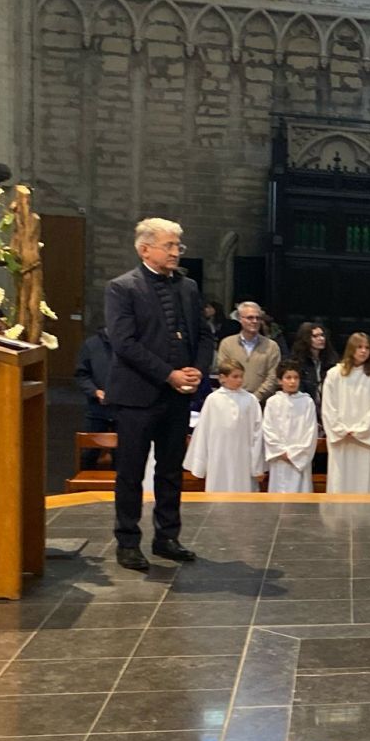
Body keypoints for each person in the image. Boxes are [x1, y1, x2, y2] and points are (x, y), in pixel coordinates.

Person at [104, 217, 212, 569]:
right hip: (137, 396)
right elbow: (124, 343)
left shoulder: (188, 287)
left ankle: (167, 537)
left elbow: (204, 334)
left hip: (177, 397)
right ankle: (127, 541)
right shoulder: (123, 288)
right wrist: (168, 374)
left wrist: (197, 369)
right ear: (145, 249)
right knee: (131, 472)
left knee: (169, 471)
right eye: (169, 245)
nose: (176, 252)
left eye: (178, 246)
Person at [321, 331, 370, 492]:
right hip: (342, 439)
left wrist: (361, 430)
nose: (363, 351)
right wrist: (340, 429)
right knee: (341, 481)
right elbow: (328, 406)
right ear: (351, 348)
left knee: (365, 481)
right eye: (359, 347)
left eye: (367, 347)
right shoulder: (334, 374)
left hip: (367, 439)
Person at [184, 358, 264, 492]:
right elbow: (203, 432)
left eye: (241, 376)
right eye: (235, 376)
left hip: (243, 456)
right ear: (222, 378)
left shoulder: (251, 400)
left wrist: (257, 465)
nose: (239, 380)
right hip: (218, 455)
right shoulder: (213, 400)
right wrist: (200, 464)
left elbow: (257, 433)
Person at [263, 363, 318, 493]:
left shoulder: (307, 402)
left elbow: (311, 432)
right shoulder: (272, 402)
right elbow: (268, 430)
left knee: (300, 495)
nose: (292, 381)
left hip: (300, 462)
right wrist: (280, 452)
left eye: (296, 377)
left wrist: (294, 454)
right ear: (280, 380)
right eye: (288, 378)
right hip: (279, 459)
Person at [215, 301, 281, 401]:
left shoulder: (272, 346)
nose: (254, 321)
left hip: (261, 403)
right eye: (250, 318)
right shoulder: (227, 344)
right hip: (231, 400)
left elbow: (273, 377)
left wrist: (254, 398)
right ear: (240, 319)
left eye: (258, 318)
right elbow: (224, 373)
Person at [74, 326, 117, 435]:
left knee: (126, 445)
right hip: (97, 411)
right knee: (91, 444)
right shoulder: (91, 344)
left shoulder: (133, 344)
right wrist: (95, 392)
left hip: (126, 412)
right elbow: (81, 375)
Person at [289, 321, 336, 404]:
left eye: (322, 335)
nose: (321, 339)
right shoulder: (297, 362)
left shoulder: (331, 360)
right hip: (305, 404)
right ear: (305, 338)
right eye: (315, 336)